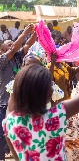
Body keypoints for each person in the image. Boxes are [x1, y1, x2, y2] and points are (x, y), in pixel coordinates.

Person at [2, 25, 79, 161]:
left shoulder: (10, 121)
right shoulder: (55, 117)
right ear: (48, 94)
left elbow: (18, 146)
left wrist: (57, 141)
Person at [0, 24, 36, 160]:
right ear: (2, 51)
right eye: (8, 46)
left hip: (19, 105)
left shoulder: (18, 57)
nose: (11, 47)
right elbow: (16, 47)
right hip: (4, 105)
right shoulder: (2, 61)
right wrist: (25, 31)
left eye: (11, 45)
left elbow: (27, 44)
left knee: (19, 134)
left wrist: (37, 32)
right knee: (3, 136)